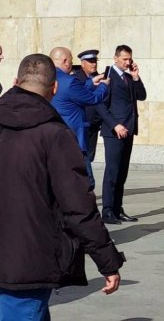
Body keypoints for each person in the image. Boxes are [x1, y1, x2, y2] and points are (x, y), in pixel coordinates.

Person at [0, 54, 124, 320]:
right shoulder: (55, 135)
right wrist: (108, 261)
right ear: (54, 88)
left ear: (15, 81)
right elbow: (78, 206)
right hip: (27, 265)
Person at [97, 45, 147, 225]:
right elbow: (100, 105)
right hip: (114, 132)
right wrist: (115, 125)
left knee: (122, 172)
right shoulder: (108, 77)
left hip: (129, 129)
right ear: (115, 58)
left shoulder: (128, 77)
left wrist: (136, 77)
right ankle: (108, 210)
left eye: (129, 59)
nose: (128, 62)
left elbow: (141, 96)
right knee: (112, 171)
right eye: (124, 59)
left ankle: (117, 208)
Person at [50, 47, 109, 190]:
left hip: (55, 136)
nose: (71, 63)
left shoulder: (49, 79)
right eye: (70, 60)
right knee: (86, 183)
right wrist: (103, 86)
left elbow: (73, 91)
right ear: (65, 61)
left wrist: (91, 82)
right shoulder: (69, 81)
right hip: (75, 137)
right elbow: (93, 99)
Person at [74, 49, 104, 176]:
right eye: (90, 61)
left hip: (94, 125)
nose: (94, 64)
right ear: (82, 64)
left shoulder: (101, 77)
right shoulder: (76, 79)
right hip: (81, 126)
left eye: (95, 61)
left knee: (89, 157)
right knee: (80, 157)